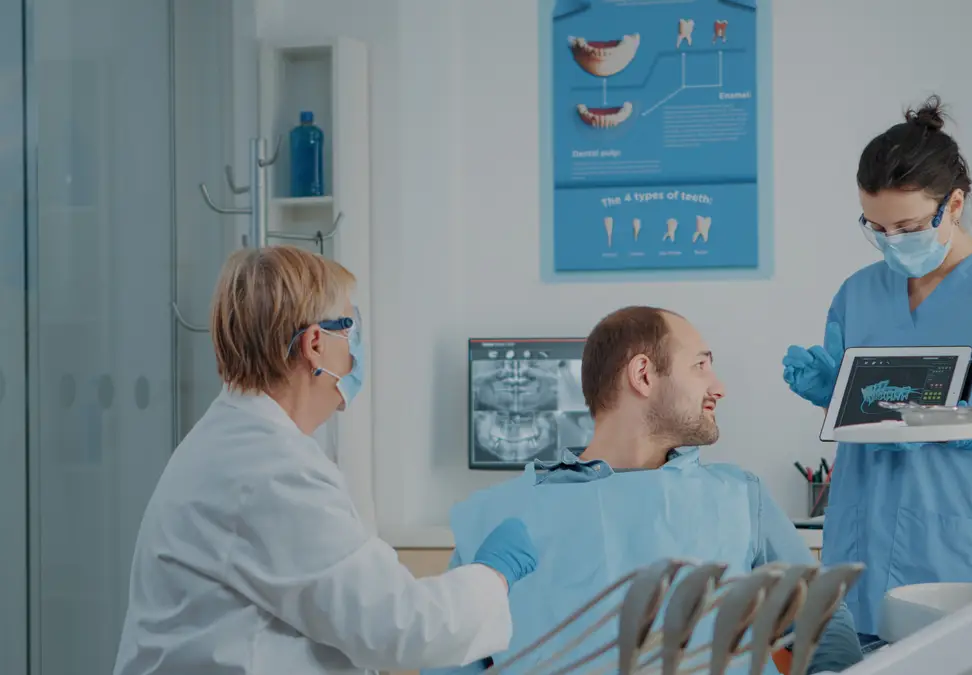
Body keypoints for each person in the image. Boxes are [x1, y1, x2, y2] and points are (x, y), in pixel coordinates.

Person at [113, 246, 538, 675]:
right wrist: (494, 574)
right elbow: (401, 628)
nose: (358, 347)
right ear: (315, 343)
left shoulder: (241, 442)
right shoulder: (270, 470)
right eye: (352, 327)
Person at [780, 96, 972, 650]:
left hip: (958, 562)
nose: (893, 242)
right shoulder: (858, 295)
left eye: (909, 225)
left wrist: (959, 432)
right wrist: (833, 397)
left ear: (956, 203)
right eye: (876, 227)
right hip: (858, 556)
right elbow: (869, 414)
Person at [426, 306, 863, 675]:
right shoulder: (497, 522)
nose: (719, 387)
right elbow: (449, 660)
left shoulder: (740, 497)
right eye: (700, 365)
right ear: (643, 374)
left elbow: (826, 627)